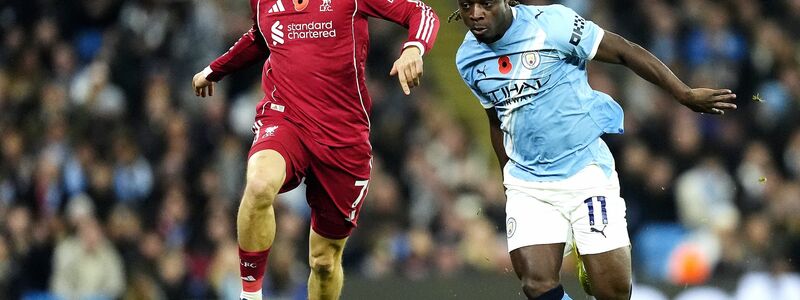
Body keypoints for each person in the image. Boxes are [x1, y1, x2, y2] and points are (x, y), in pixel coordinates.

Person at [454, 1, 736, 299]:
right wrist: (508, 183)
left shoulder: (552, 24)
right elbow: (496, 120)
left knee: (613, 293)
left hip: (584, 171)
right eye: (466, 5)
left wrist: (683, 93)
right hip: (528, 182)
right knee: (537, 284)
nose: (475, 14)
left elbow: (624, 50)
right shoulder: (468, 58)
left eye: (486, 3)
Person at [191, 0, 439, 299]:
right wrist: (215, 69)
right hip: (285, 117)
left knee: (324, 262)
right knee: (259, 184)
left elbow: (421, 12)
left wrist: (414, 48)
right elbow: (261, 35)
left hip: (342, 135)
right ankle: (250, 294)